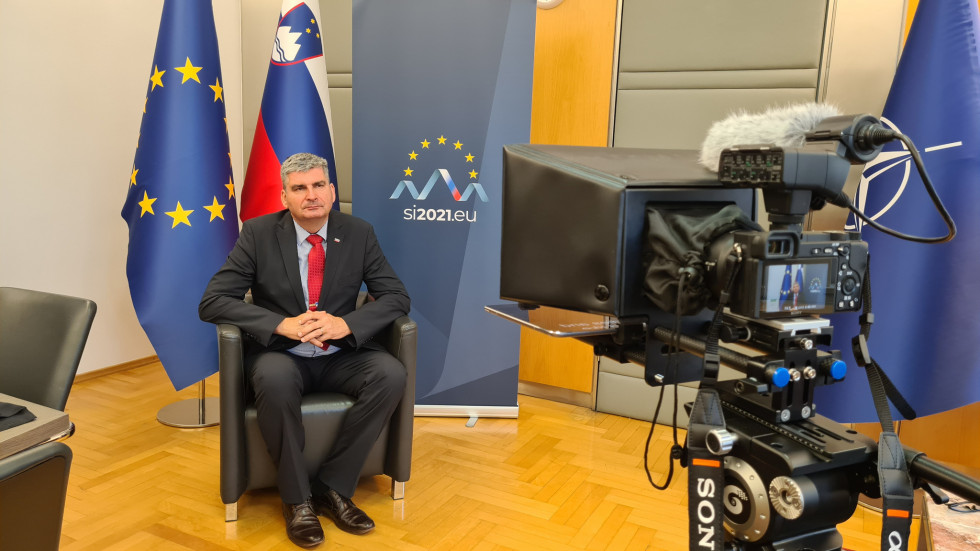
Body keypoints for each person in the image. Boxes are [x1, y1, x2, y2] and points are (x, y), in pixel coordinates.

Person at [199, 152, 409, 548]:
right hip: (281, 355)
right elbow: (212, 302)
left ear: (331, 192)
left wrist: (346, 324)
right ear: (284, 197)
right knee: (274, 379)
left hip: (341, 354)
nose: (310, 196)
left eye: (317, 186)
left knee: (390, 374)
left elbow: (397, 297)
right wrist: (281, 324)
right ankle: (297, 501)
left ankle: (333, 486)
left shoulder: (359, 232)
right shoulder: (258, 235)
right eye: (299, 188)